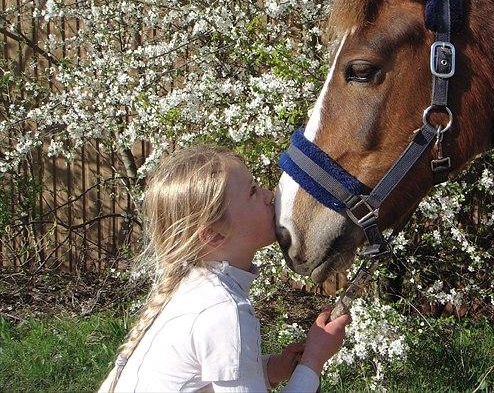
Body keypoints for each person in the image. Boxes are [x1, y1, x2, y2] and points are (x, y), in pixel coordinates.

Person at [98, 145, 350, 392]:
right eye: (252, 191)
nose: (269, 195)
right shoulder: (223, 310)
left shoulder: (196, 289)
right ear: (214, 235)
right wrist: (313, 361)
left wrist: (271, 369)